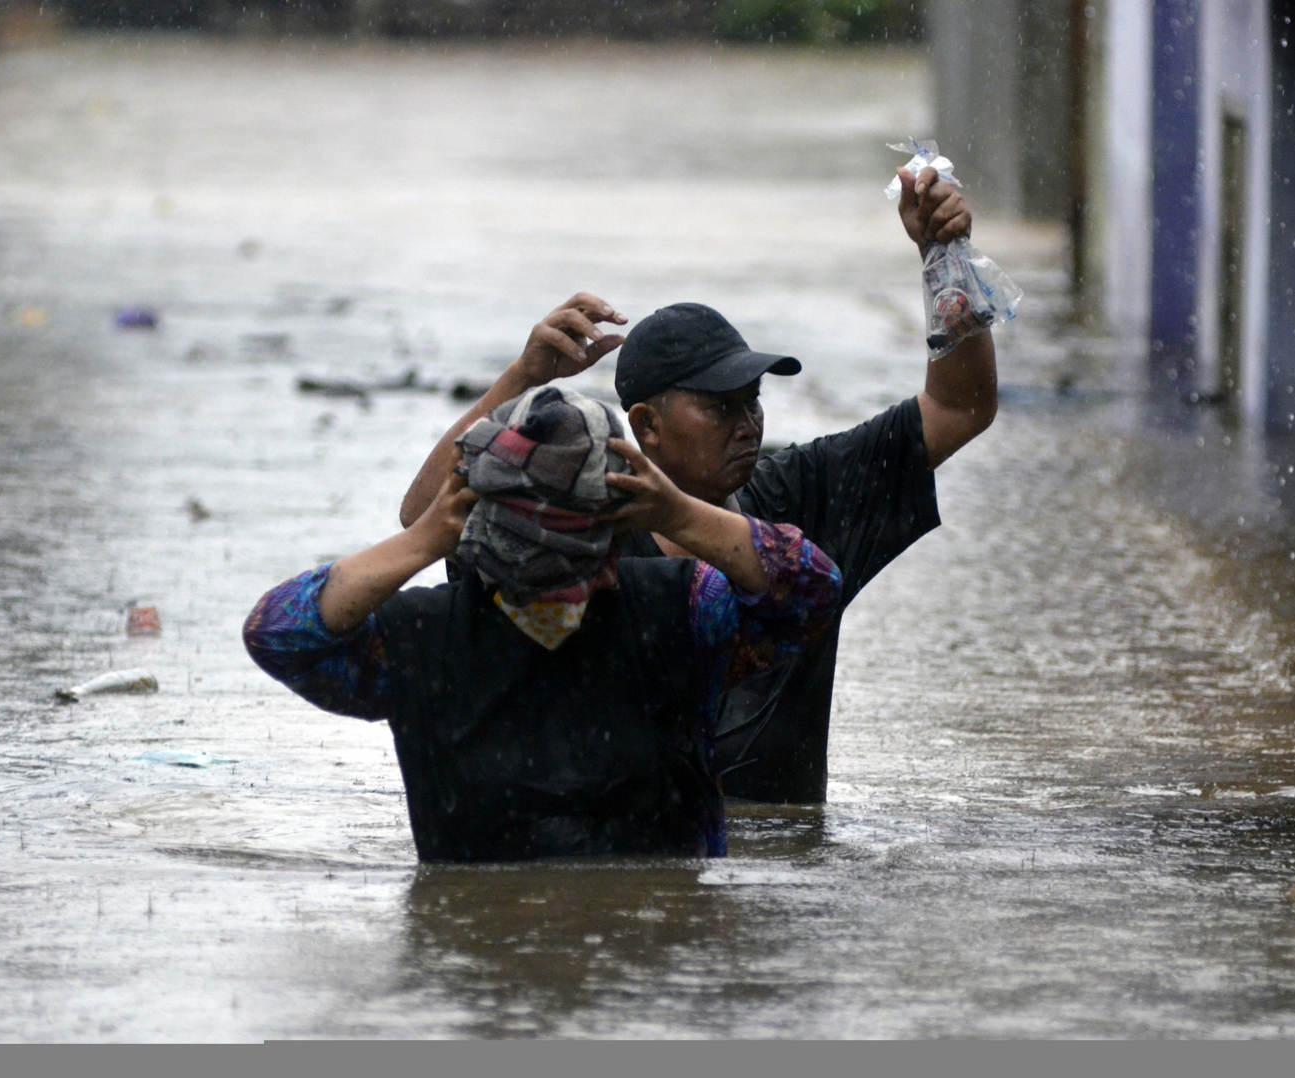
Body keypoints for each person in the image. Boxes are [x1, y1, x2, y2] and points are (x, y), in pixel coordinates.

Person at [398, 165, 995, 803]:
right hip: (634, 854)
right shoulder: (575, 526)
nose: (748, 424)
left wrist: (944, 258)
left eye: (752, 400)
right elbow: (425, 517)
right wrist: (522, 376)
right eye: (720, 407)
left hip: (774, 867)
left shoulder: (800, 492)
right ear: (646, 427)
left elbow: (961, 407)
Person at [244, 386, 841, 863]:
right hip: (653, 974)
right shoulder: (683, 612)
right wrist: (424, 536)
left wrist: (422, 539)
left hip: (494, 971)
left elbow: (281, 630)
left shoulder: (418, 639)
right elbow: (808, 587)